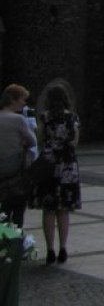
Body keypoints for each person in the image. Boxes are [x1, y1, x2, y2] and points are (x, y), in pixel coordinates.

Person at [32, 85, 82, 265]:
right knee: (64, 209)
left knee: (48, 209)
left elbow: (38, 139)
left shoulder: (45, 117)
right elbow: (75, 142)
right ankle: (63, 248)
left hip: (48, 164)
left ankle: (50, 249)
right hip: (67, 165)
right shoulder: (73, 117)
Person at [0, 84, 36, 227]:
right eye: (22, 99)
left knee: (2, 212)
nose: (24, 103)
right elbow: (32, 140)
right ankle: (16, 244)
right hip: (16, 171)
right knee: (18, 212)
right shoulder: (17, 119)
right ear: (13, 100)